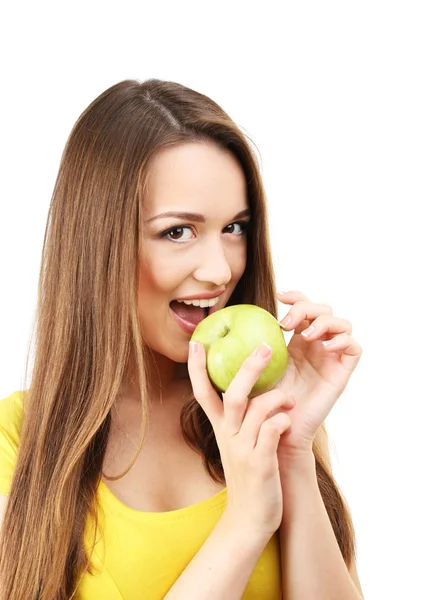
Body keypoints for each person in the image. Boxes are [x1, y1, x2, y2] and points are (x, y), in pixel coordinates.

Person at [0, 78, 364, 600]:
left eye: (235, 228)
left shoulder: (260, 415)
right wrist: (244, 526)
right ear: (98, 245)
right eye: (178, 232)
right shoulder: (19, 444)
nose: (220, 270)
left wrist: (293, 453)